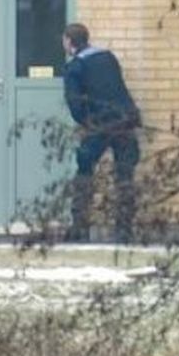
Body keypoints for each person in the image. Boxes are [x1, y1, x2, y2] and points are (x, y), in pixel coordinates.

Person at [62, 22, 141, 243]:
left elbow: (75, 103)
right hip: (125, 119)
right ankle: (124, 229)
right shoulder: (108, 57)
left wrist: (85, 122)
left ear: (69, 41)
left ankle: (80, 227)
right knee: (125, 174)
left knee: (85, 170)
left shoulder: (75, 67)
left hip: (99, 123)